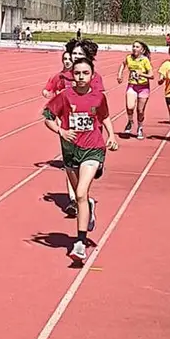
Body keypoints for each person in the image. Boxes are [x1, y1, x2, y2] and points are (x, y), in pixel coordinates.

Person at [43, 57, 118, 264]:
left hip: (93, 149)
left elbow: (104, 117)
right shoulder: (65, 96)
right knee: (79, 197)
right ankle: (89, 207)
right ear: (72, 75)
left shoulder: (98, 97)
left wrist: (111, 135)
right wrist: (61, 130)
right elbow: (47, 117)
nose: (81, 77)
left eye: (85, 73)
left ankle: (79, 243)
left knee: (82, 192)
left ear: (92, 76)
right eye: (77, 73)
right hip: (70, 151)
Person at [42, 39, 104, 217]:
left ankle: (81, 197)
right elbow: (53, 91)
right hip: (69, 129)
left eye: (79, 54)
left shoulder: (93, 77)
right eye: (73, 54)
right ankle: (75, 201)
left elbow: (99, 102)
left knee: (85, 166)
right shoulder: (63, 76)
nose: (74, 57)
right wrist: (50, 94)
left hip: (91, 131)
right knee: (70, 165)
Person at [116, 41, 153, 139]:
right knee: (130, 106)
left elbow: (151, 75)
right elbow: (123, 64)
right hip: (132, 85)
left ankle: (140, 127)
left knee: (140, 111)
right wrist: (120, 74)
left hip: (143, 87)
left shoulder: (145, 60)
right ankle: (130, 121)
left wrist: (141, 74)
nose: (134, 48)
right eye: (133, 46)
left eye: (137, 47)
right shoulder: (129, 58)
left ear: (142, 50)